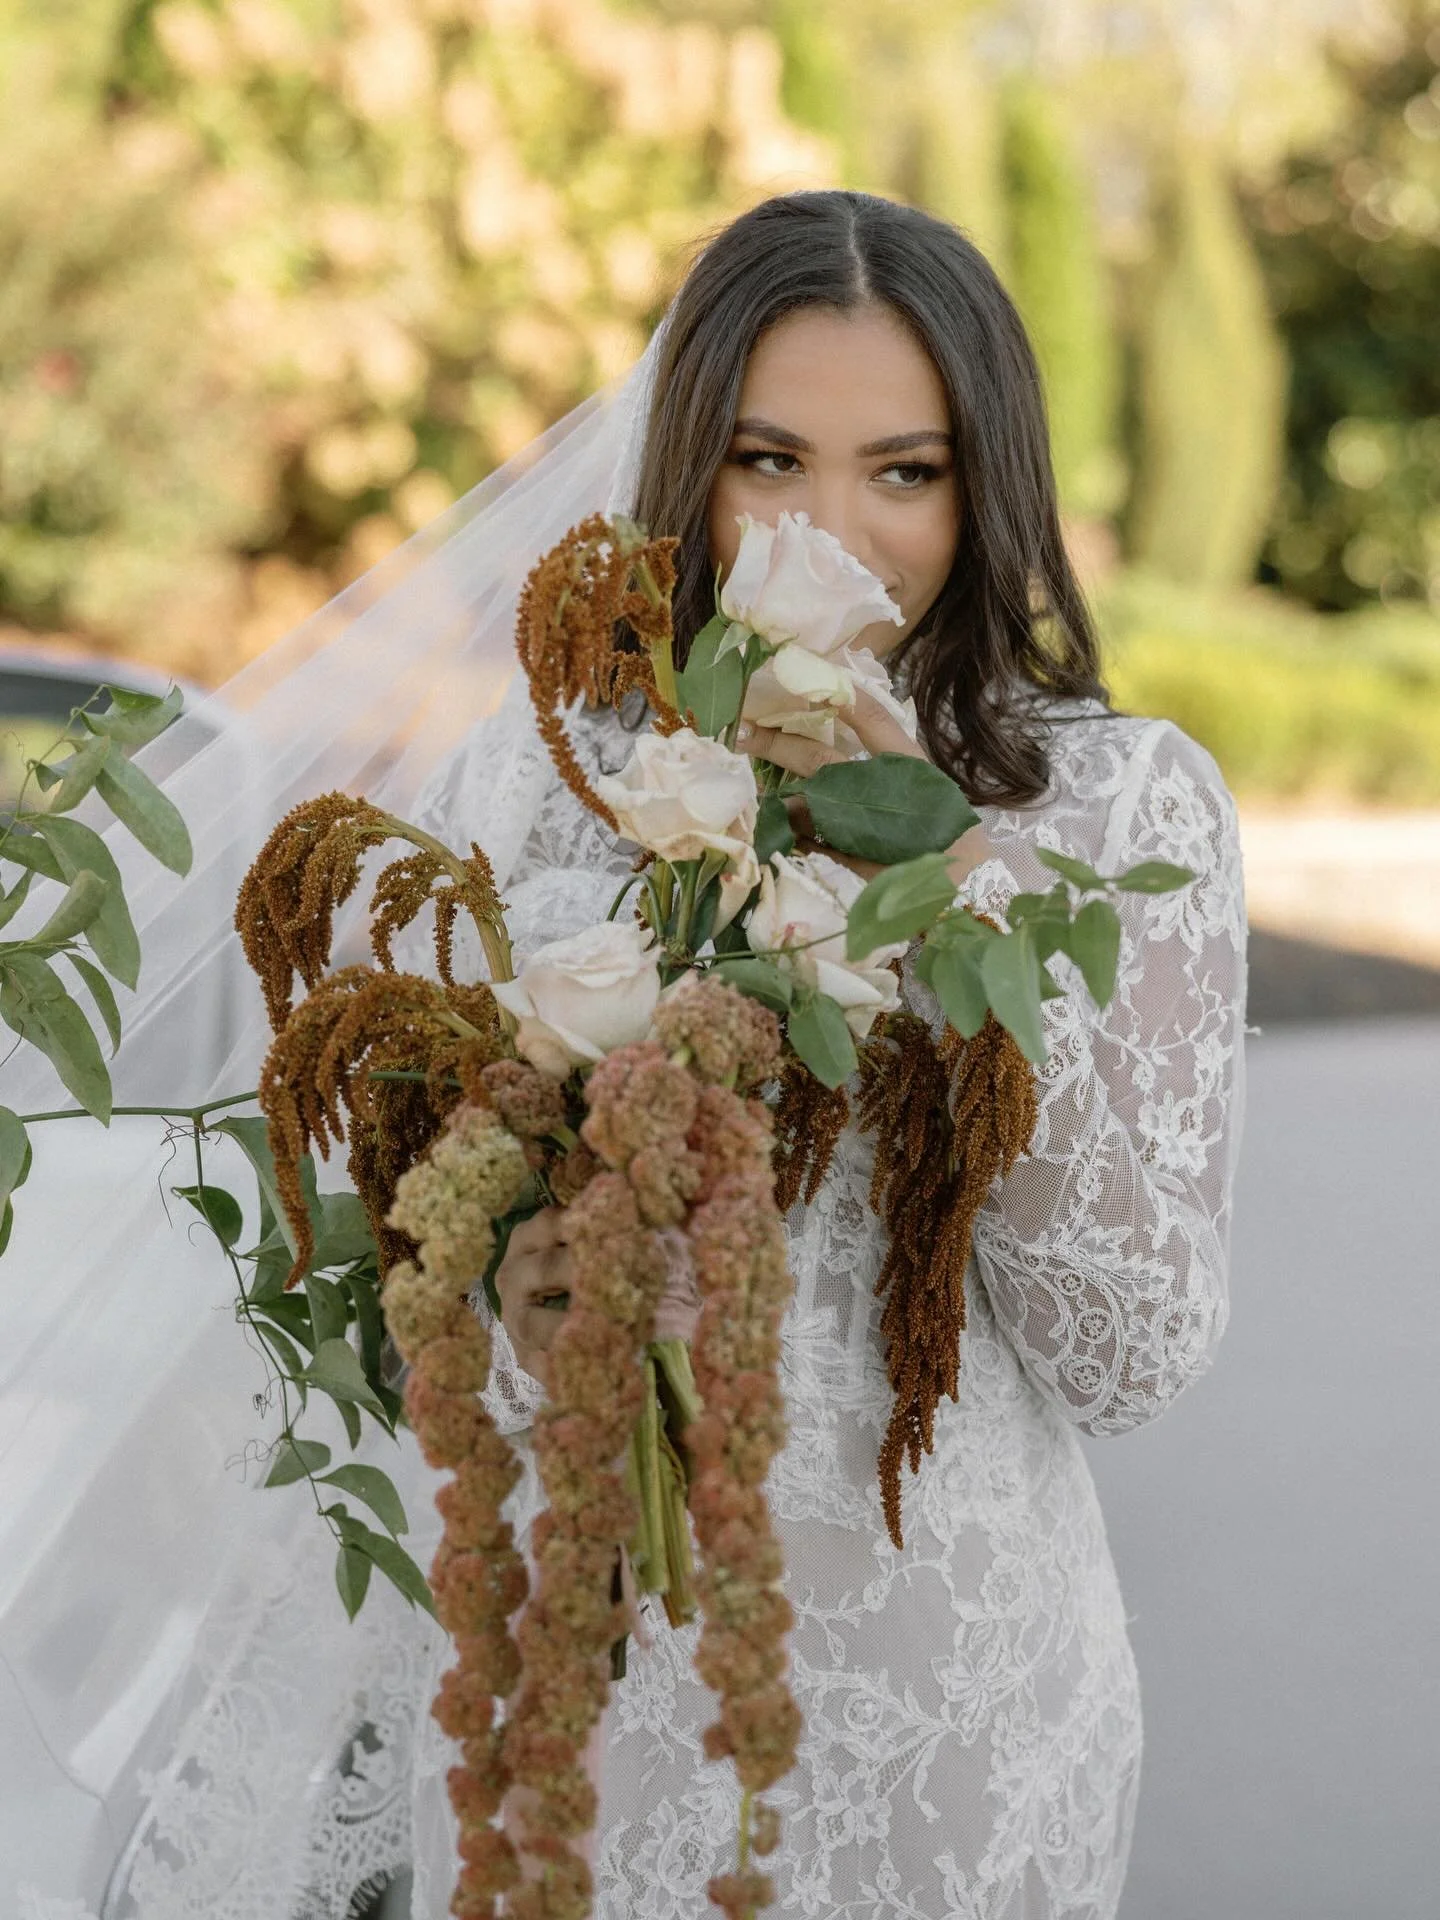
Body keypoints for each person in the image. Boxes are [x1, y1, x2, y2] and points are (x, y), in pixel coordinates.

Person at [4, 190, 1244, 1920]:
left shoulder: (1114, 809)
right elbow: (387, 1237)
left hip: (937, 1694)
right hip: (570, 1683)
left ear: (990, 481)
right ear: (687, 466)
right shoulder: (539, 781)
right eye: (769, 462)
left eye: (905, 471)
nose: (837, 534)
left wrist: (947, 888)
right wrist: (513, 1277)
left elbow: (1134, 1351)